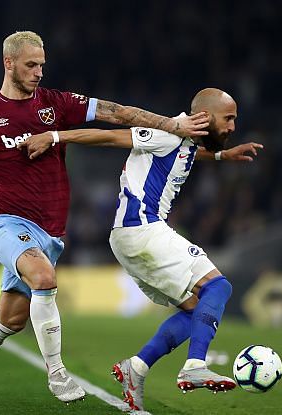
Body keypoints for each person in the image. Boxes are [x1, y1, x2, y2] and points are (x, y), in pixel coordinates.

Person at [0, 30, 211, 407]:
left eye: (42, 64)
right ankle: (57, 374)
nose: (39, 72)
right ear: (8, 63)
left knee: (11, 320)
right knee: (44, 278)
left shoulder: (57, 104)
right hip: (5, 220)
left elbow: (116, 112)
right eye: (30, 65)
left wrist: (173, 125)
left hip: (50, 231)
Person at [18, 88, 263, 411]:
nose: (233, 127)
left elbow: (186, 152)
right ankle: (195, 366)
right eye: (229, 118)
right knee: (218, 286)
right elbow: (109, 138)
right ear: (204, 116)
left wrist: (220, 156)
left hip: (132, 236)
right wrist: (53, 136)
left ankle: (137, 367)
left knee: (195, 311)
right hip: (142, 229)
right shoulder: (167, 132)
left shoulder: (184, 141)